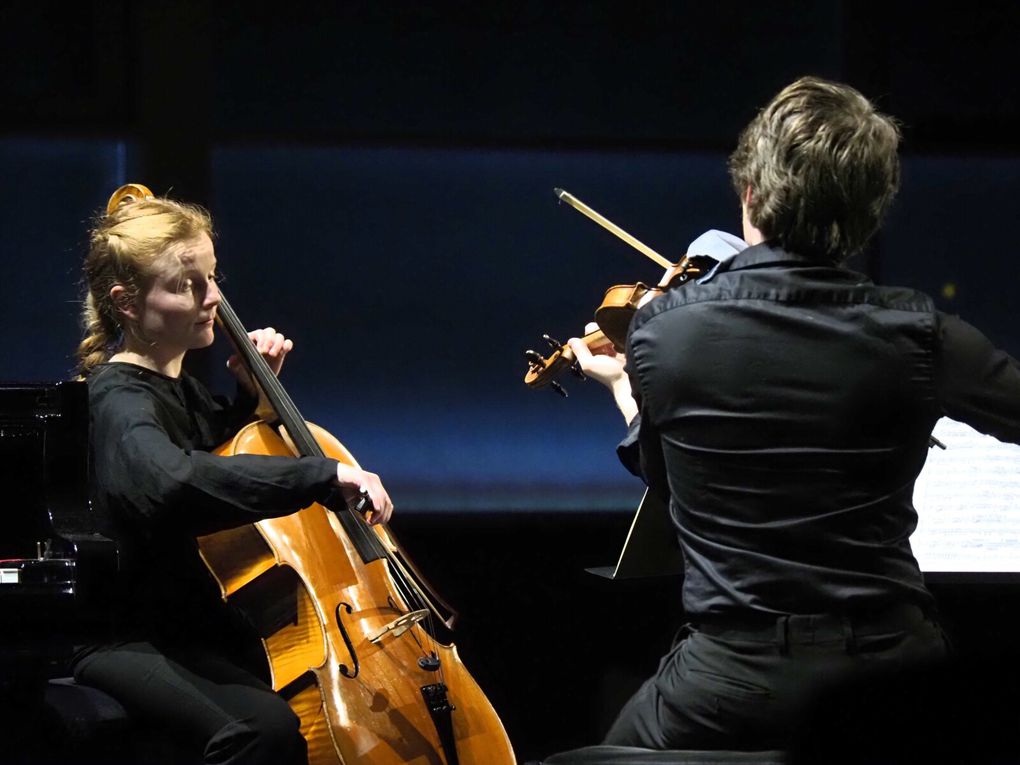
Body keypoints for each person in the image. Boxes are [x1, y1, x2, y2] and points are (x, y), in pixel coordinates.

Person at [562, 76, 1020, 753]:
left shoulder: (661, 332)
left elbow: (665, 479)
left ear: (751, 192)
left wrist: (625, 386)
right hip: (889, 668)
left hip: (725, 676)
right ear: (871, 209)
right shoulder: (923, 335)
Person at [71, 188, 393, 765]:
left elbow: (219, 457)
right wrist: (321, 474)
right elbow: (174, 483)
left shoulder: (180, 388)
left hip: (194, 628)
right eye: (186, 285)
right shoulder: (117, 399)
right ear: (125, 302)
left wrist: (251, 399)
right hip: (125, 636)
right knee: (259, 728)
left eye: (213, 277)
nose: (213, 297)